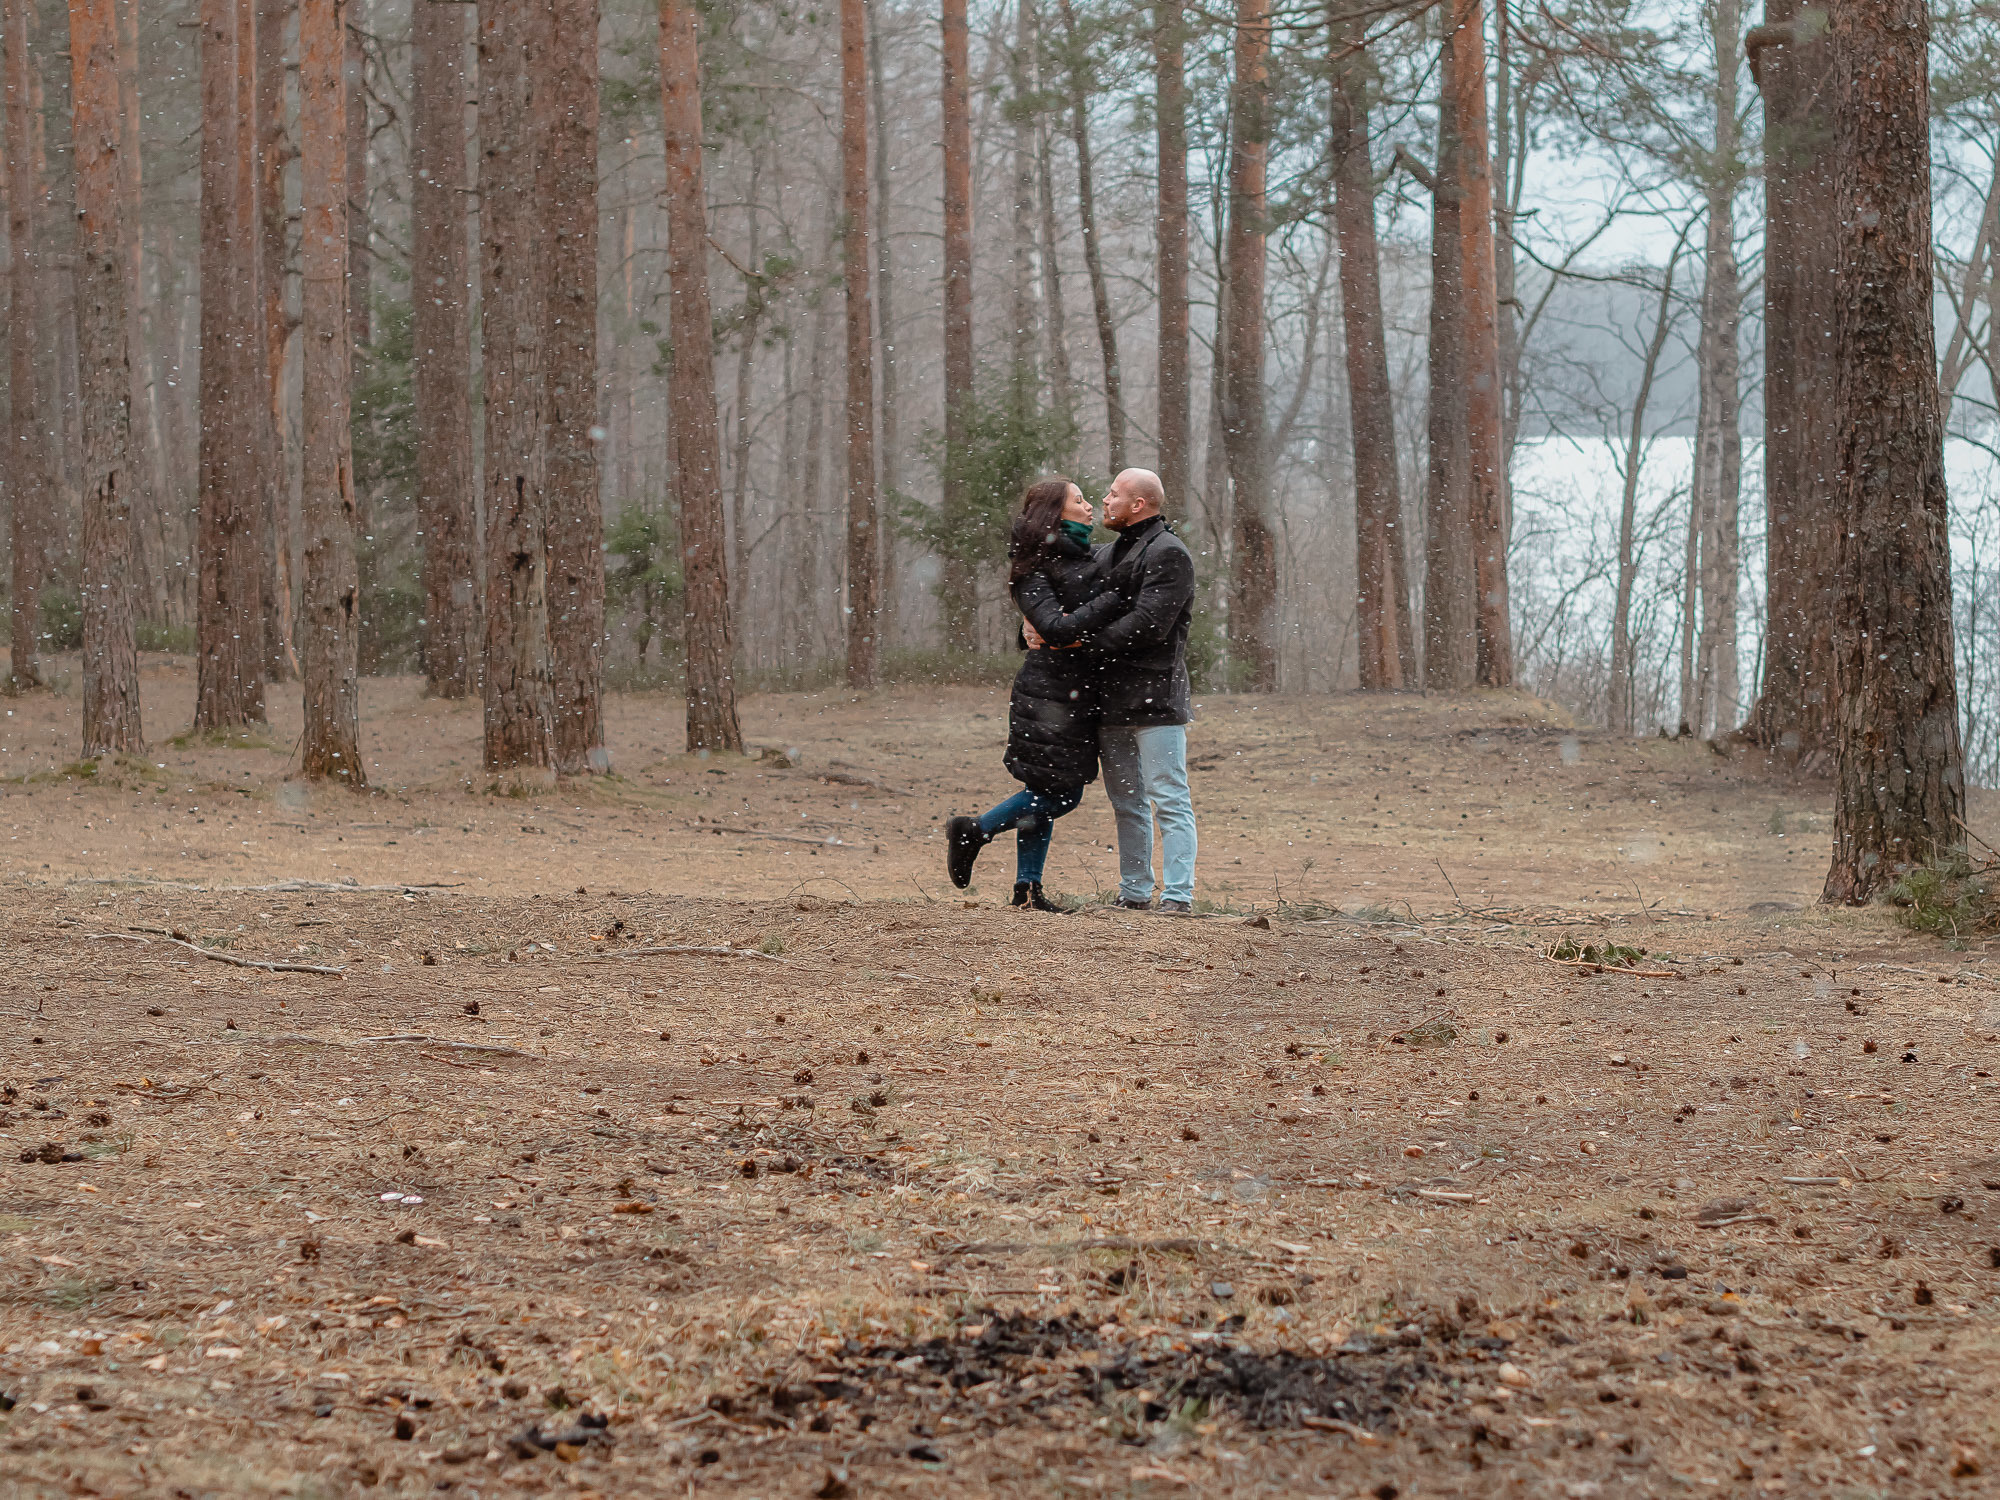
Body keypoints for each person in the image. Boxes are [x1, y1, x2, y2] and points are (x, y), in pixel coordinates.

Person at [945, 478, 1129, 911]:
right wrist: (1113, 599)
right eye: (1079, 500)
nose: (1089, 506)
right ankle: (975, 829)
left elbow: (1057, 624)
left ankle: (1027, 890)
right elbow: (1055, 627)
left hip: (1073, 692)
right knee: (1062, 793)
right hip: (1050, 695)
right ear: (1055, 513)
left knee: (1042, 787)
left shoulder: (1084, 556)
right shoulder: (1035, 566)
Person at [1090, 468, 1200, 914]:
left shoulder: (1169, 552)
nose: (1105, 500)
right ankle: (1134, 892)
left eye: (1114, 494)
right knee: (1126, 802)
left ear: (1138, 504)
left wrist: (1084, 642)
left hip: (1156, 701)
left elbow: (1149, 625)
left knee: (1169, 799)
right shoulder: (1107, 553)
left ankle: (1178, 896)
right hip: (1111, 702)